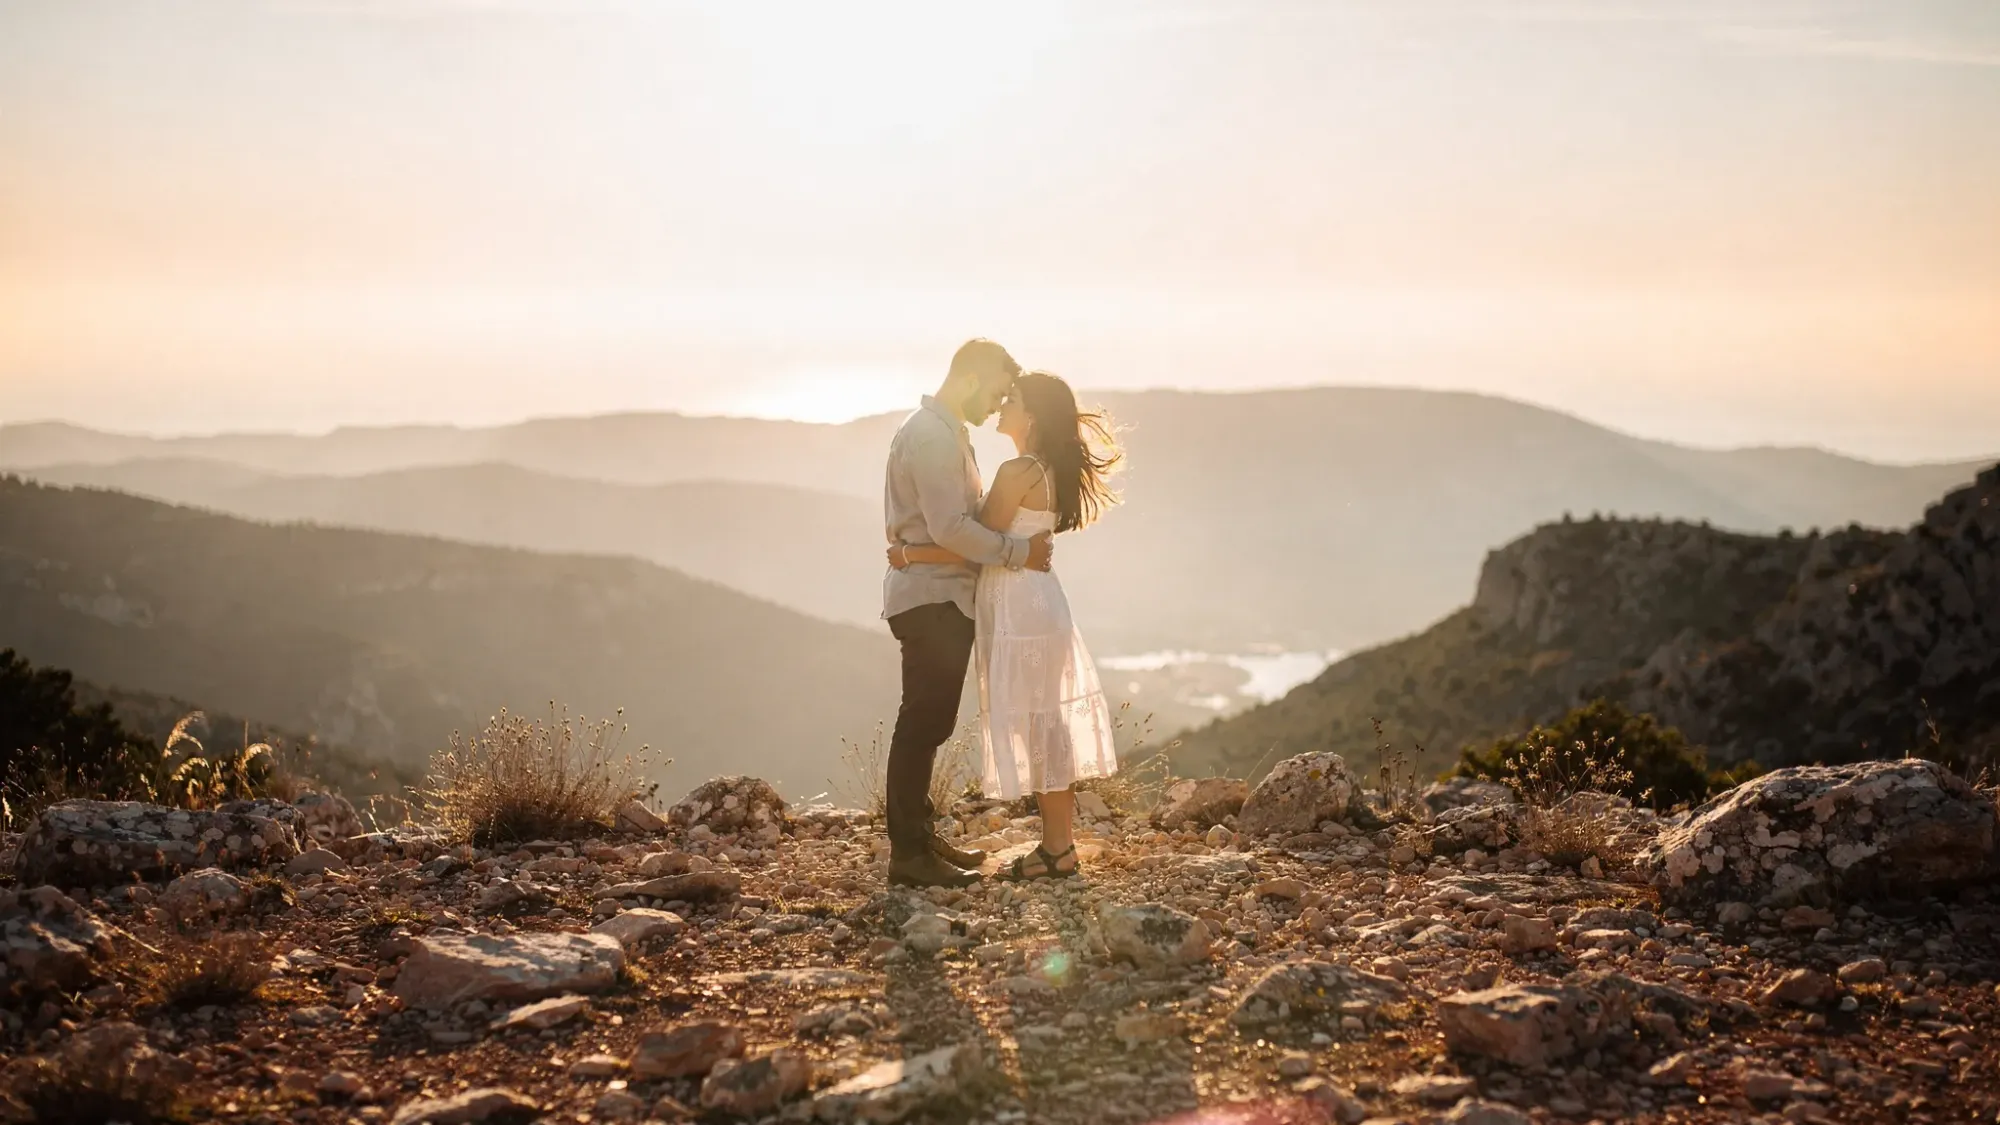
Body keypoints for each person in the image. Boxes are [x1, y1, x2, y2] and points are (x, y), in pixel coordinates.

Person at [891, 369, 1121, 881]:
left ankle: (1058, 849)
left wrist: (910, 553)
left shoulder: (1018, 470)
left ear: (1031, 415)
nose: (1001, 406)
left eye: (1011, 399)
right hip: (1032, 599)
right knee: (1042, 719)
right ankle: (1056, 846)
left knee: (1038, 720)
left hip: (1021, 605)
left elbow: (969, 537)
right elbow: (984, 539)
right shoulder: (1038, 468)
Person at [880, 339, 1055, 888]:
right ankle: (908, 856)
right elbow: (951, 528)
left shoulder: (948, 433)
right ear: (973, 380)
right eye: (999, 390)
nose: (999, 402)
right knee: (923, 722)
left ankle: (920, 838)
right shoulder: (932, 436)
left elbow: (960, 521)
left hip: (940, 593)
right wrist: (1018, 553)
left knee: (931, 721)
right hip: (931, 597)